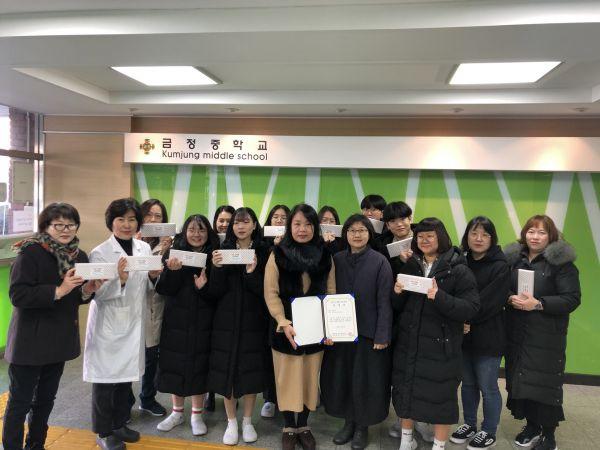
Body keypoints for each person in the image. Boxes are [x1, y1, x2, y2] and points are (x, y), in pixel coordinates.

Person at [2, 203, 102, 450]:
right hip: (30, 341)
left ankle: (36, 445)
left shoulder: (79, 256)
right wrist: (59, 290)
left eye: (71, 225)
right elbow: (18, 295)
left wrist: (87, 290)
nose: (65, 230)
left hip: (58, 340)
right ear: (45, 227)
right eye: (59, 225)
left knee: (45, 400)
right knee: (20, 402)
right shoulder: (30, 252)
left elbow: (76, 297)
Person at [392, 217, 479, 450]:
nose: (425, 240)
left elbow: (471, 307)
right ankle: (406, 441)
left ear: (441, 237)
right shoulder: (412, 265)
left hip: (442, 348)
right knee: (406, 394)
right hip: (410, 344)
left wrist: (440, 297)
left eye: (430, 236)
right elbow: (397, 307)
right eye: (420, 236)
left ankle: (439, 446)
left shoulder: (458, 269)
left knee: (442, 401)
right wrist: (397, 292)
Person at [83, 198, 162, 450]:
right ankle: (104, 431)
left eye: (131, 219)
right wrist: (121, 280)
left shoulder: (144, 248)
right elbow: (98, 294)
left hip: (133, 323)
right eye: (121, 219)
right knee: (105, 382)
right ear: (111, 223)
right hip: (108, 325)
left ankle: (118, 423)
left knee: (125, 378)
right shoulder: (100, 253)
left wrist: (152, 276)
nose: (127, 225)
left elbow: (146, 287)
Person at [504, 215, 581, 450]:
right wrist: (509, 297)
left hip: (546, 336)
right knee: (522, 382)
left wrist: (538, 304)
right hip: (517, 332)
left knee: (545, 385)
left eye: (541, 232)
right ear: (524, 234)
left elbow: (572, 299)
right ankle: (531, 426)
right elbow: (501, 287)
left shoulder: (561, 264)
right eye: (531, 231)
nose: (535, 237)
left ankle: (549, 434)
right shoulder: (513, 260)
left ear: (551, 236)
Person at [264, 203, 336, 450]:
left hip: (316, 330)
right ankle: (288, 426)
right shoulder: (278, 254)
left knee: (308, 380)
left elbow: (330, 291)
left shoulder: (325, 255)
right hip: (285, 330)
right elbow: (271, 292)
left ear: (315, 227)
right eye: (297, 224)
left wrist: (329, 326)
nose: (302, 229)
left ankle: (303, 425)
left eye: (307, 224)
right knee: (286, 380)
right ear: (289, 226)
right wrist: (282, 321)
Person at [321, 214, 393, 449]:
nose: (357, 235)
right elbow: (327, 294)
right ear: (345, 234)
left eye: (362, 230)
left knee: (365, 382)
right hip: (341, 334)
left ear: (369, 234)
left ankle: (362, 426)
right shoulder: (337, 260)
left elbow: (385, 301)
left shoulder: (380, 261)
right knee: (343, 379)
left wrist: (382, 334)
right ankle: (348, 423)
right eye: (352, 230)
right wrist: (327, 329)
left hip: (368, 334)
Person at [207, 207, 270, 446]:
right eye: (236, 223)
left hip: (253, 321)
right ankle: (231, 421)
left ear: (254, 225)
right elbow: (214, 292)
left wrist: (252, 273)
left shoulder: (264, 251)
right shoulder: (222, 251)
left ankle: (247, 421)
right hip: (225, 321)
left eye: (245, 222)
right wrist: (217, 269)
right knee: (228, 371)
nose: (240, 227)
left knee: (251, 370)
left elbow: (266, 291)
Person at [155, 214, 220, 436]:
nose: (196, 234)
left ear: (208, 233)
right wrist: (172, 272)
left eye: (201, 230)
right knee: (175, 364)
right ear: (184, 232)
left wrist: (204, 287)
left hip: (204, 321)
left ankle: (196, 415)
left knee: (199, 366)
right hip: (176, 321)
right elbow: (163, 289)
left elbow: (219, 294)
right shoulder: (173, 253)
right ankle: (177, 412)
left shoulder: (214, 256)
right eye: (192, 229)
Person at [450, 217, 510, 449]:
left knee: (488, 387)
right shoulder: (460, 261)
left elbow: (490, 302)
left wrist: (464, 318)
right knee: (467, 385)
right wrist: (461, 321)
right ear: (467, 236)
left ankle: (489, 430)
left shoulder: (501, 265)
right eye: (474, 233)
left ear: (492, 239)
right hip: (464, 335)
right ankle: (470, 424)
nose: (478, 239)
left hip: (489, 336)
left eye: (485, 234)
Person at [131, 199, 170, 418]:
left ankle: (147, 398)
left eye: (158, 216)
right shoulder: (129, 241)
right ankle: (124, 401)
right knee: (128, 356)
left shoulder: (169, 244)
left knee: (151, 357)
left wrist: (165, 250)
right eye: (148, 215)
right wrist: (136, 247)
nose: (153, 220)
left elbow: (167, 279)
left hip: (155, 307)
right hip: (130, 308)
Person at [260, 204, 290, 419]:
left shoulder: (293, 246)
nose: (279, 221)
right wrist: (273, 248)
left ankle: (287, 397)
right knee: (268, 356)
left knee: (286, 357)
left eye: (283, 218)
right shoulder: (261, 245)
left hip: (285, 307)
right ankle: (269, 398)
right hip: (263, 308)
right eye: (275, 217)